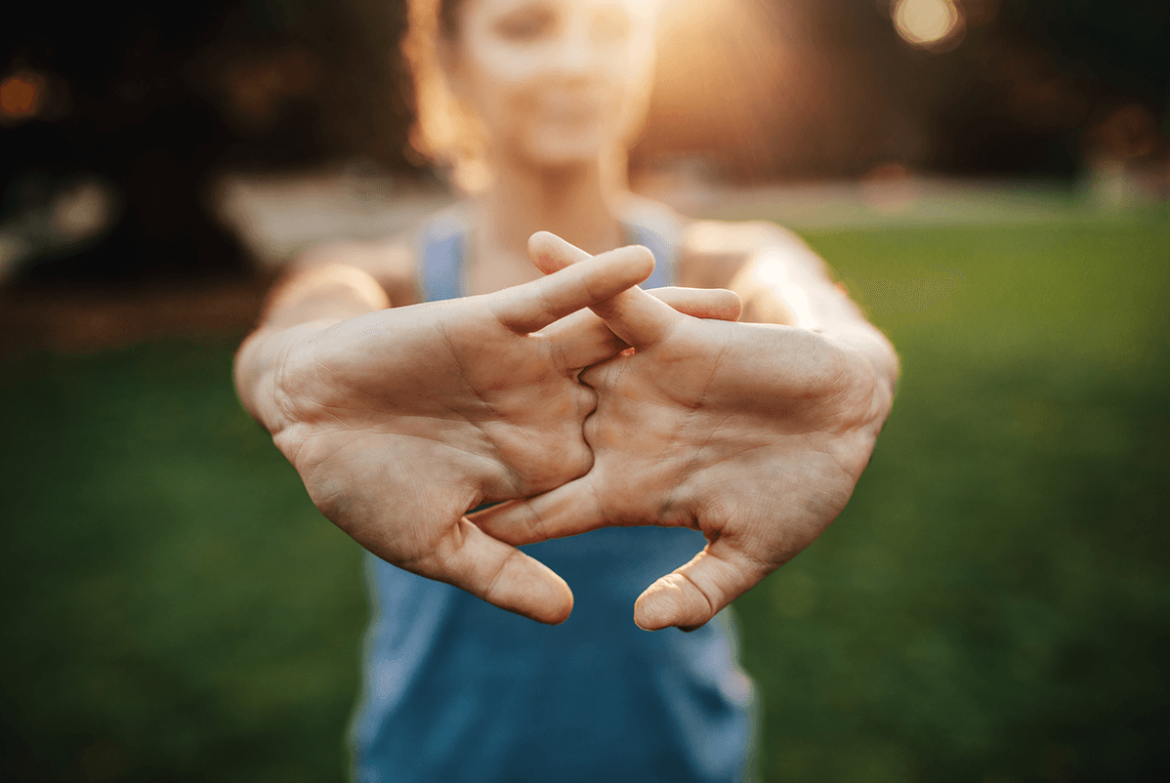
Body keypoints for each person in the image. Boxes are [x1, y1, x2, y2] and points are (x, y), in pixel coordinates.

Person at [233, 0, 899, 780]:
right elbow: (300, 331)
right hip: (436, 758)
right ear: (448, 60)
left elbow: (816, 317)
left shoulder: (729, 262)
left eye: (613, 27)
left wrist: (855, 365)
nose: (578, 62)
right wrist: (288, 375)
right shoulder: (382, 277)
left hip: (678, 757)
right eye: (526, 27)